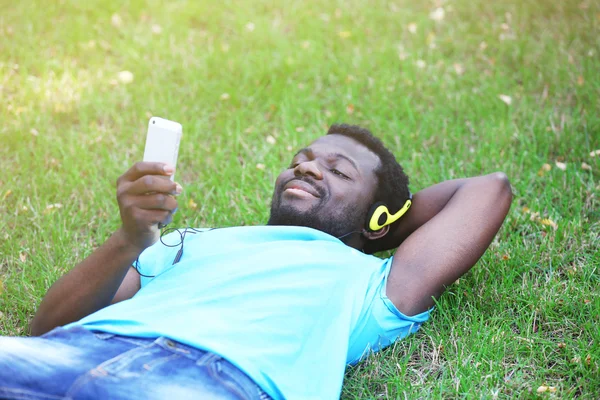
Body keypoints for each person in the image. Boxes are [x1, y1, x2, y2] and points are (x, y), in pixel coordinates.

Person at [0, 124, 513, 399]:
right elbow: (47, 327)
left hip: (210, 383)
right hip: (75, 350)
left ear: (378, 217)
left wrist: (375, 229)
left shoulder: (375, 283)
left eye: (338, 171)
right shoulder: (191, 241)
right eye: (302, 159)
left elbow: (488, 189)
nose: (308, 166)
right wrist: (130, 238)